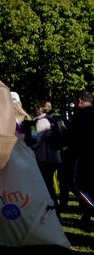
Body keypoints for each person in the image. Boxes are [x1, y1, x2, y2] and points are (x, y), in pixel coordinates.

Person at [30, 100, 63, 218]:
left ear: (40, 108)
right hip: (56, 158)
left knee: (47, 187)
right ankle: (55, 212)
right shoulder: (55, 120)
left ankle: (53, 213)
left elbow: (34, 142)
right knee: (50, 186)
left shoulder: (40, 121)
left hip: (44, 159)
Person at [69, 90, 94, 228]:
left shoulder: (80, 116)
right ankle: (86, 217)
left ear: (79, 101)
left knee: (79, 186)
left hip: (84, 158)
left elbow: (73, 138)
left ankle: (89, 212)